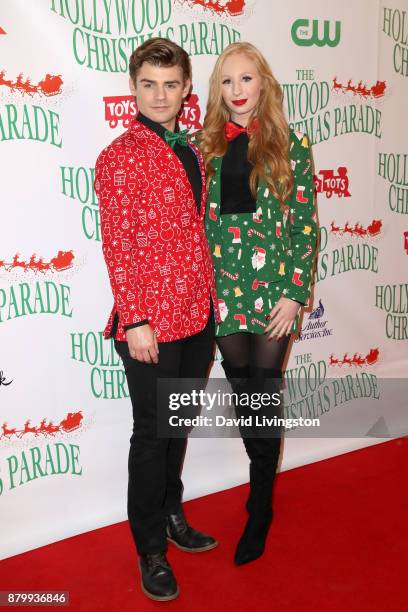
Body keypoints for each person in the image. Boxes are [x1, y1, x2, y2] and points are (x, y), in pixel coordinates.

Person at [94, 38, 220, 602]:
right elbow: (118, 244)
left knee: (177, 429)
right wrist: (137, 317)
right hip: (149, 324)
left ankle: (172, 514)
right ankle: (150, 549)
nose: (160, 94)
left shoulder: (191, 148)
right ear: (133, 87)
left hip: (197, 315)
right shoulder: (119, 157)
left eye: (171, 84)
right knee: (152, 436)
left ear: (187, 88)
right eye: (149, 83)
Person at [199, 42, 317, 565]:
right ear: (217, 91)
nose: (238, 91)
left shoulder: (293, 144)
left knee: (263, 397)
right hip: (223, 295)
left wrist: (295, 293)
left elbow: (306, 225)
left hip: (273, 295)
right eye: (228, 82)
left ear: (263, 84)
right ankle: (261, 481)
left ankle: (261, 503)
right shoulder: (204, 148)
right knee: (246, 398)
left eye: (246, 79)